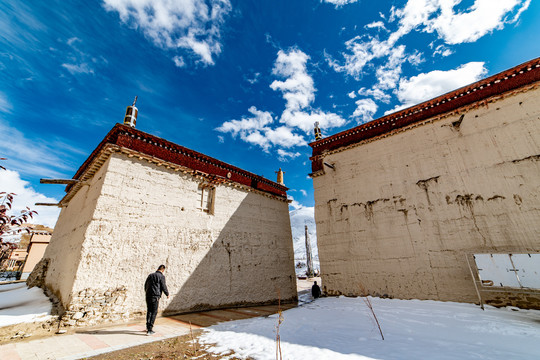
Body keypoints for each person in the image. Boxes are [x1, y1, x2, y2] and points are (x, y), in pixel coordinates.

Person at [144, 264, 169, 335]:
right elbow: (163, 286)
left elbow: (145, 285)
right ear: (163, 270)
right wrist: (167, 294)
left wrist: (147, 292)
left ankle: (147, 326)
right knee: (154, 312)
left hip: (148, 295)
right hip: (155, 296)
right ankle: (150, 330)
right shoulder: (161, 276)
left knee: (149, 311)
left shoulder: (150, 275)